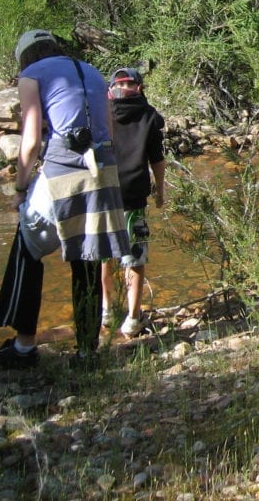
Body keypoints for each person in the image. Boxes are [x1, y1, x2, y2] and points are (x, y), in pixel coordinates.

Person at [0, 29, 131, 369]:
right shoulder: (92, 70)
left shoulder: (30, 75)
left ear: (26, 56)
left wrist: (21, 189)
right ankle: (87, 352)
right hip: (104, 173)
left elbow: (32, 140)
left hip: (63, 172)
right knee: (88, 259)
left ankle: (23, 348)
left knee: (28, 247)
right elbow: (108, 131)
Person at [101, 67, 166, 338]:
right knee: (135, 258)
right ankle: (133, 317)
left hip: (104, 195)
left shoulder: (103, 113)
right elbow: (157, 159)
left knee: (104, 253)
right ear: (139, 88)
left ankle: (106, 310)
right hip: (134, 196)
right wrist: (160, 191)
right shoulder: (149, 116)